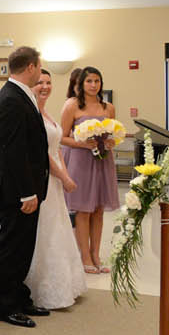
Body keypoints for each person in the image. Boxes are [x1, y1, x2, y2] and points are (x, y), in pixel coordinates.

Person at [0, 45, 52, 325]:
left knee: (24, 246)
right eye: (39, 66)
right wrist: (27, 192)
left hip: (28, 187)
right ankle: (6, 305)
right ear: (30, 67)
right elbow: (14, 151)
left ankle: (19, 295)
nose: (40, 71)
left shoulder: (20, 94)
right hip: (18, 191)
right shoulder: (10, 99)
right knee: (12, 247)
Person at [26, 68, 87, 310]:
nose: (45, 87)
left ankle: (66, 283)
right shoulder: (32, 114)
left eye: (49, 82)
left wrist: (65, 174)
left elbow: (56, 148)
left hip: (55, 180)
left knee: (59, 227)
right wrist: (63, 176)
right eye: (40, 82)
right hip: (44, 179)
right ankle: (42, 289)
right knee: (47, 232)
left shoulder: (47, 113)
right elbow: (42, 154)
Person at [60, 65, 118, 275]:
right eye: (89, 81)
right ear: (81, 84)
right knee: (84, 210)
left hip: (103, 160)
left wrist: (111, 142)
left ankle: (96, 255)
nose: (93, 85)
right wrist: (83, 143)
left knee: (99, 210)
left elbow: (113, 134)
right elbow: (62, 137)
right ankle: (84, 256)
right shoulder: (73, 105)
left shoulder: (108, 107)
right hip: (81, 160)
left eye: (97, 81)